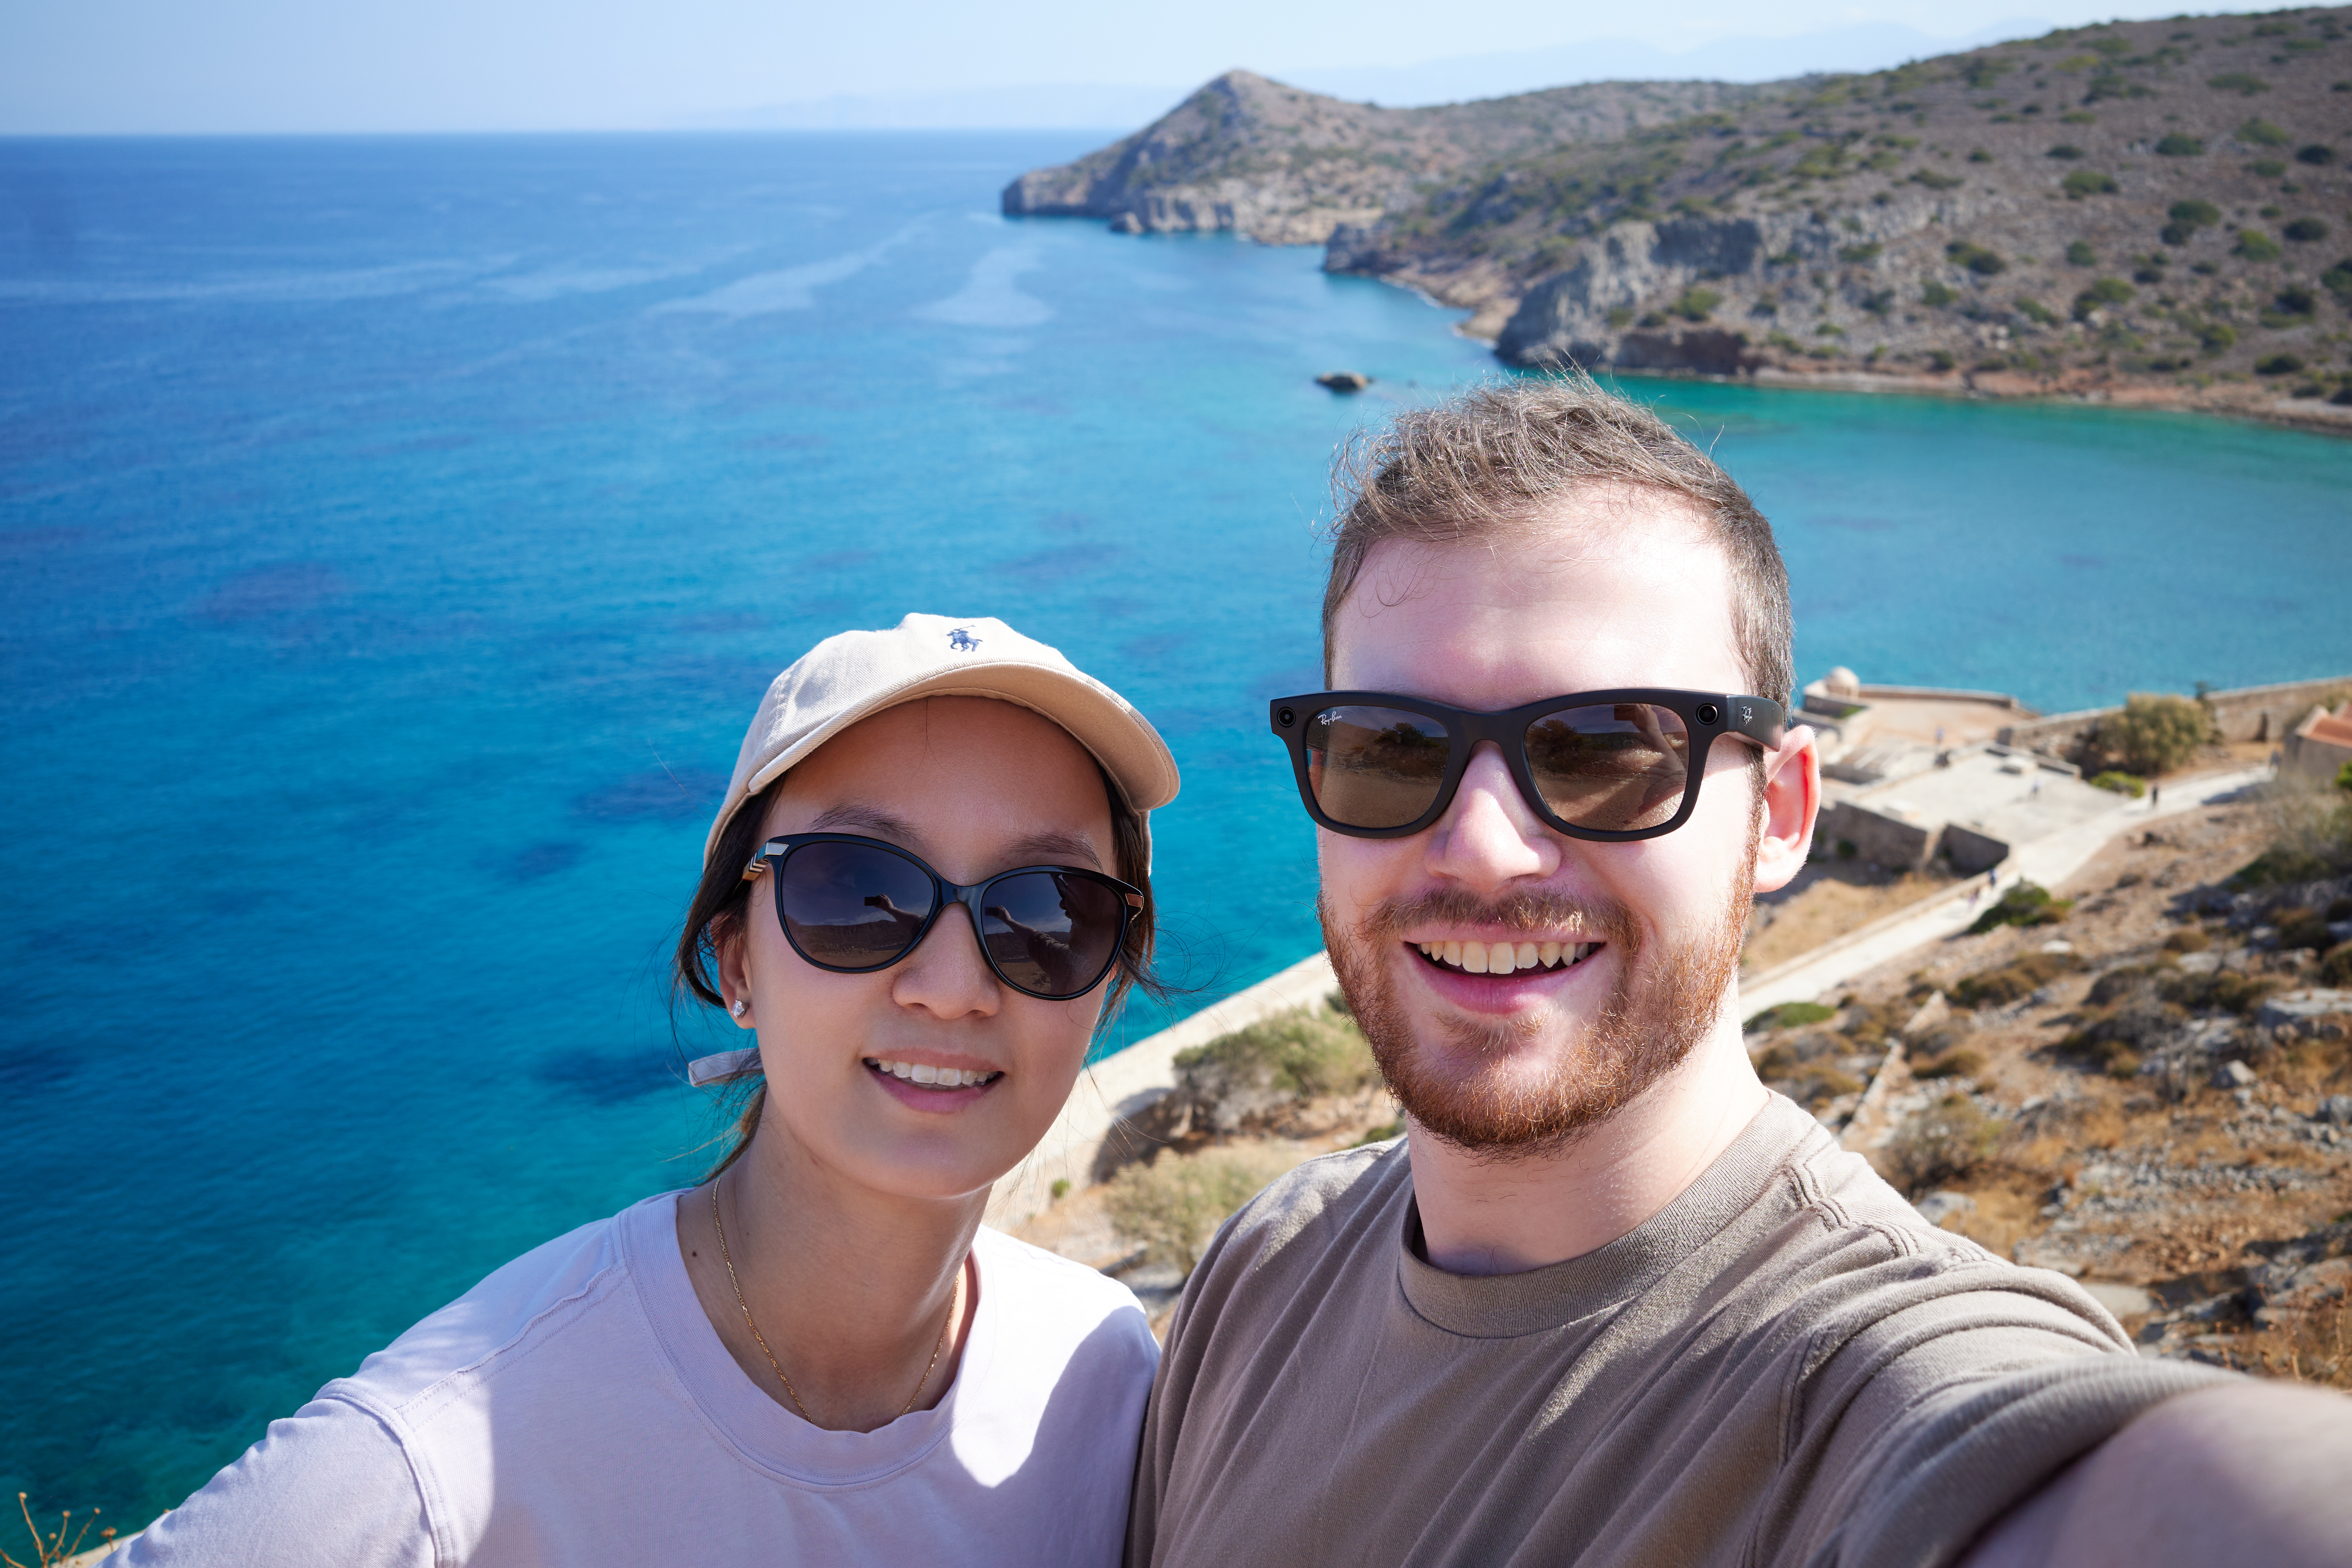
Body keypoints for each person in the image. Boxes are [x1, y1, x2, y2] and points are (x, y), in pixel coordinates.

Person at [1126, 380, 2352, 1568]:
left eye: (1609, 748)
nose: (1484, 849)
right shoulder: (1265, 1273)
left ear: (1781, 809)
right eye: (1390, 749)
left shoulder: (1852, 1385)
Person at [112, 613, 1178, 1566]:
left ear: (1107, 984)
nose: (953, 989)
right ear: (738, 964)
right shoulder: (444, 1466)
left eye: (1049, 913)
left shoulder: (1099, 1378)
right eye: (857, 890)